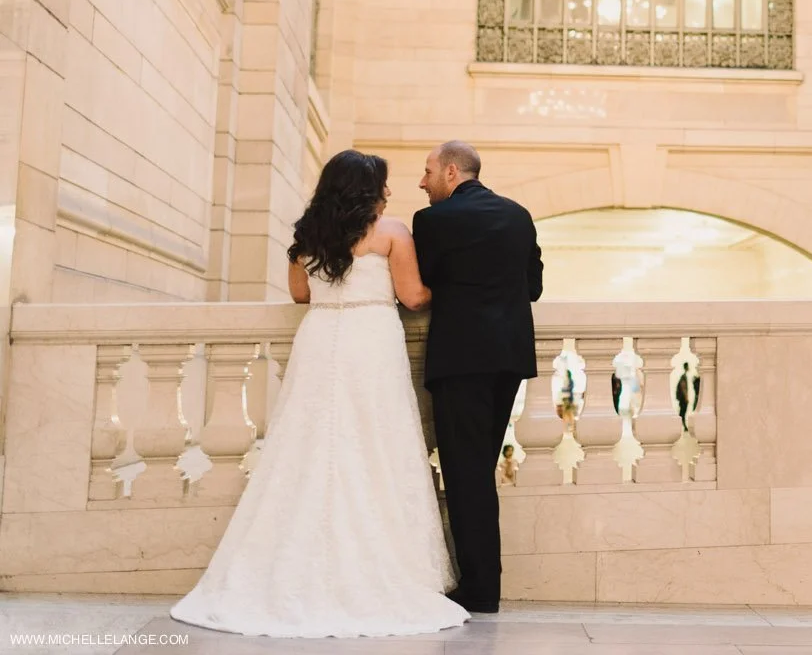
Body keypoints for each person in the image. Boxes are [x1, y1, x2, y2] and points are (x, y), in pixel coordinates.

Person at [171, 151, 467, 637]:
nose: (389, 192)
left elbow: (300, 295)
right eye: (383, 185)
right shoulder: (391, 233)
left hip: (320, 340)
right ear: (366, 188)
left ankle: (289, 564)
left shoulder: (307, 236)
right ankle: (384, 561)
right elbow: (414, 297)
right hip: (370, 341)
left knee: (305, 445)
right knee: (375, 442)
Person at [413, 140, 544, 614]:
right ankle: (482, 582)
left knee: (466, 474)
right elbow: (533, 286)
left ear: (451, 172)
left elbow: (419, 288)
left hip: (460, 359)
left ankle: (481, 589)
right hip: (508, 357)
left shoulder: (431, 221)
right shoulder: (518, 214)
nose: (422, 182)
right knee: (477, 471)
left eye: (427, 172)